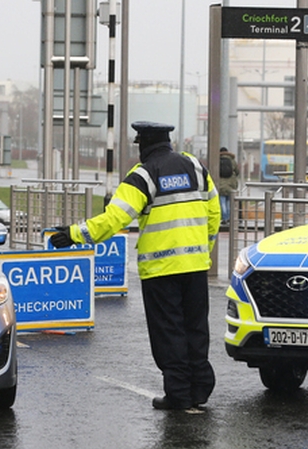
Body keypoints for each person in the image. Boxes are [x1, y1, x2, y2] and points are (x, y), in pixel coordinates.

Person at [50, 121, 221, 411]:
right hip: (195, 265)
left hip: (161, 270)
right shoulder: (194, 166)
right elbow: (214, 212)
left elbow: (114, 218)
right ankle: (200, 388)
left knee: (169, 332)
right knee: (195, 328)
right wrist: (203, 247)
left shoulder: (143, 175)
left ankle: (179, 393)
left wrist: (75, 234)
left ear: (144, 144)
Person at [218, 146, 239, 224]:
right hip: (231, 184)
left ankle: (224, 218)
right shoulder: (232, 160)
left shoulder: (218, 160)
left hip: (221, 184)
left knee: (222, 202)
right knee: (229, 202)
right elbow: (237, 171)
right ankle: (230, 218)